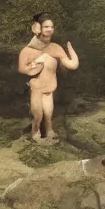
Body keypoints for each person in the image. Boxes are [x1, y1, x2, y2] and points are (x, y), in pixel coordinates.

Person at [18, 13, 79, 143]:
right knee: (38, 114)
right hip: (37, 88)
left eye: (51, 26)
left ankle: (49, 131)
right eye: (46, 26)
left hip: (49, 88)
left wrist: (70, 49)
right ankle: (35, 133)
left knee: (49, 113)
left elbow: (72, 64)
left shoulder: (55, 48)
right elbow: (22, 69)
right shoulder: (27, 50)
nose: (50, 29)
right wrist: (35, 63)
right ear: (37, 28)